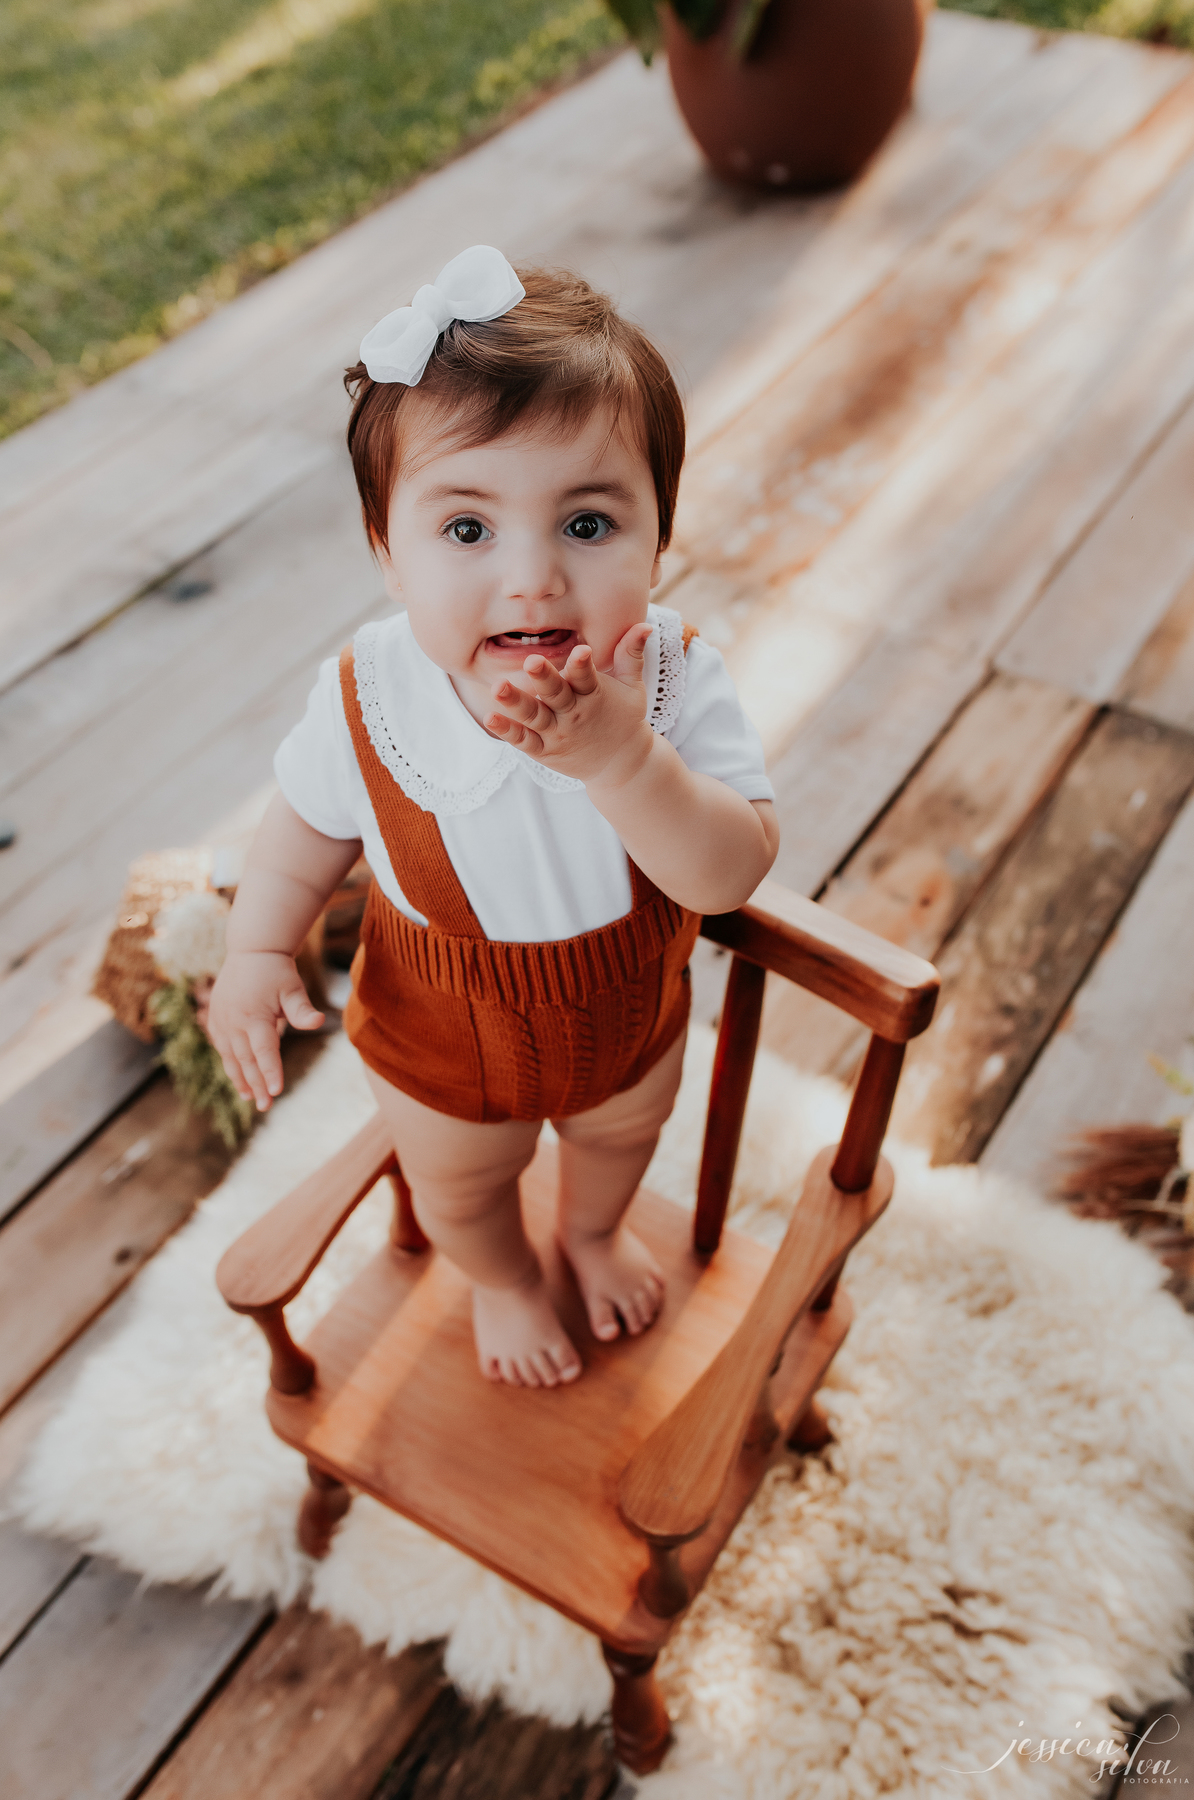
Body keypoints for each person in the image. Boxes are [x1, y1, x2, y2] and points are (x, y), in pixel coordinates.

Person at [208, 246, 778, 1391]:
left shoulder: (669, 677)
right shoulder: (371, 695)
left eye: (588, 525)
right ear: (390, 555)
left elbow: (729, 874)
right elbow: (306, 829)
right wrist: (258, 948)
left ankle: (591, 1234)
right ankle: (506, 1279)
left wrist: (625, 759)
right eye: (467, 530)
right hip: (439, 1032)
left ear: (660, 537)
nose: (533, 579)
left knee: (619, 1143)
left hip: (624, 1016)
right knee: (461, 1188)